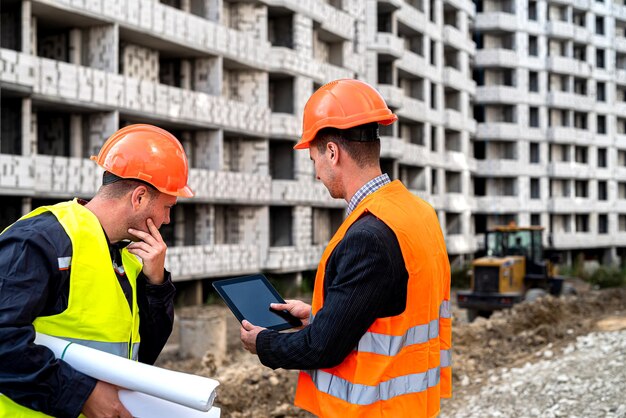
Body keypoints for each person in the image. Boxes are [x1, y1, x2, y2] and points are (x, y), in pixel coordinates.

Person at [240, 79, 452, 417]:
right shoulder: (418, 213)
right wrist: (318, 317)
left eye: (313, 161)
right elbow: (388, 309)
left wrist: (263, 343)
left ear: (333, 153)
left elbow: (324, 348)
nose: (317, 175)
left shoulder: (369, 235)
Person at [0, 124, 194, 418]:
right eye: (168, 206)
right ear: (138, 197)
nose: (167, 219)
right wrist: (82, 395)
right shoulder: (42, 240)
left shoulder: (127, 258)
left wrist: (156, 285)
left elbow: (141, 355)